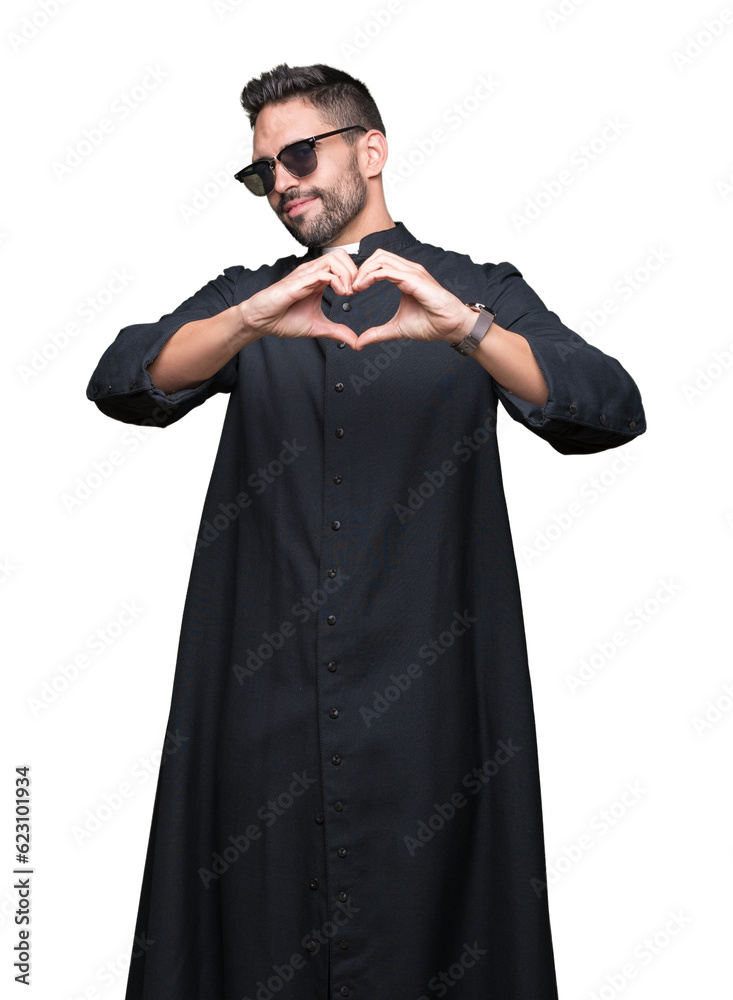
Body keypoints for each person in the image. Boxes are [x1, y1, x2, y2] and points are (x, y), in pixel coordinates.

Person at [86, 63, 646, 1000]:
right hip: (261, 720)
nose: (281, 183)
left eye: (299, 155)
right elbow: (121, 379)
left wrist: (469, 332)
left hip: (433, 720)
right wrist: (249, 320)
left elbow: (609, 407)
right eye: (262, 171)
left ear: (371, 150)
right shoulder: (250, 299)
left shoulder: (472, 290)